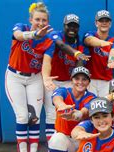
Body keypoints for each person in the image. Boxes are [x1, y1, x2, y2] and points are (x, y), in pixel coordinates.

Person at [5, 2, 54, 152]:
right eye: (37, 19)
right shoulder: (22, 27)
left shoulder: (49, 38)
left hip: (34, 78)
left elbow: (47, 61)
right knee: (22, 116)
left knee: (34, 117)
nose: (40, 23)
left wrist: (46, 78)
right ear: (31, 19)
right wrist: (33, 34)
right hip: (15, 76)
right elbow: (18, 35)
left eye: (44, 20)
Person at [41, 13, 90, 141]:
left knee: (69, 114)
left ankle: (68, 143)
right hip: (53, 80)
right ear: (64, 26)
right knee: (52, 115)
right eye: (69, 26)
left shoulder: (81, 44)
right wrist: (77, 54)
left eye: (75, 26)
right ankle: (52, 145)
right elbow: (62, 46)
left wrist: (79, 58)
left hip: (70, 82)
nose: (72, 29)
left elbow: (79, 69)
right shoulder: (56, 35)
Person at [47, 66, 96, 152]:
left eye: (84, 79)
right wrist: (61, 105)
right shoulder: (63, 91)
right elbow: (57, 98)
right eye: (77, 78)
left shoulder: (92, 97)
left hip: (81, 140)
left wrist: (77, 115)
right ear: (71, 80)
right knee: (57, 139)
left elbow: (85, 111)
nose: (80, 82)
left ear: (89, 82)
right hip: (65, 139)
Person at [83, 10, 114, 97]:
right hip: (90, 79)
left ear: (110, 24)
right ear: (96, 23)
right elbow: (89, 40)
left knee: (104, 108)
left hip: (106, 81)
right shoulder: (90, 34)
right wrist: (101, 43)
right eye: (101, 21)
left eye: (106, 21)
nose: (104, 23)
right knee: (90, 107)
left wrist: (112, 61)